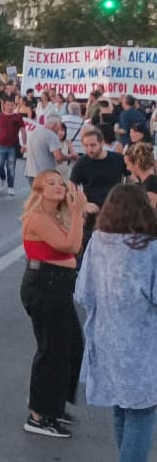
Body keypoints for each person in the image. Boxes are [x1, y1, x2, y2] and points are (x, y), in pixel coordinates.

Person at [75, 184, 157, 462]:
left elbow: (83, 292)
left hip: (107, 339)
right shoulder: (151, 248)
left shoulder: (98, 242)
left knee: (121, 408)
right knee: (142, 412)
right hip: (142, 345)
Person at [18, 170, 86, 438]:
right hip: (45, 285)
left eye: (61, 182)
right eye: (50, 183)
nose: (58, 186)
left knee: (72, 346)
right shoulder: (37, 218)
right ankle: (39, 415)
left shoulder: (56, 216)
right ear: (39, 190)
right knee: (52, 350)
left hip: (57, 284)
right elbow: (71, 246)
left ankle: (52, 403)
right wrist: (78, 212)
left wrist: (76, 210)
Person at [70, 126, 127, 252]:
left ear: (102, 143)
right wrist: (84, 204)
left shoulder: (117, 159)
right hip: (92, 213)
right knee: (88, 249)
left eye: (93, 145)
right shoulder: (82, 163)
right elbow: (71, 187)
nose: (89, 149)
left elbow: (132, 179)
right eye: (86, 146)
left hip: (114, 211)